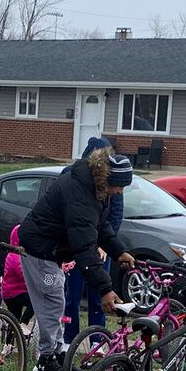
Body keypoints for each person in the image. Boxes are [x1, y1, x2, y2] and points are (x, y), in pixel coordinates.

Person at [17, 149, 137, 371]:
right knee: (52, 302)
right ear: (107, 180)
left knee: (56, 300)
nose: (120, 192)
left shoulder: (96, 191)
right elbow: (84, 246)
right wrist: (105, 289)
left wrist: (118, 250)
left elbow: (100, 227)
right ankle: (46, 358)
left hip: (51, 251)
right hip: (40, 249)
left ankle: (57, 352)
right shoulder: (80, 193)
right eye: (119, 186)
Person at [65, 136, 121, 343]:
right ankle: (69, 339)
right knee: (72, 295)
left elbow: (114, 216)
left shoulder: (115, 181)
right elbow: (75, 222)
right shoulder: (72, 177)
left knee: (99, 295)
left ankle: (97, 340)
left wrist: (105, 245)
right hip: (77, 248)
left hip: (99, 249)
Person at [1, 224, 33, 327]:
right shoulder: (15, 257)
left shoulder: (12, 255)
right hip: (15, 293)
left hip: (12, 293)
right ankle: (24, 323)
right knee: (36, 302)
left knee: (14, 320)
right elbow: (23, 275)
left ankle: (9, 342)